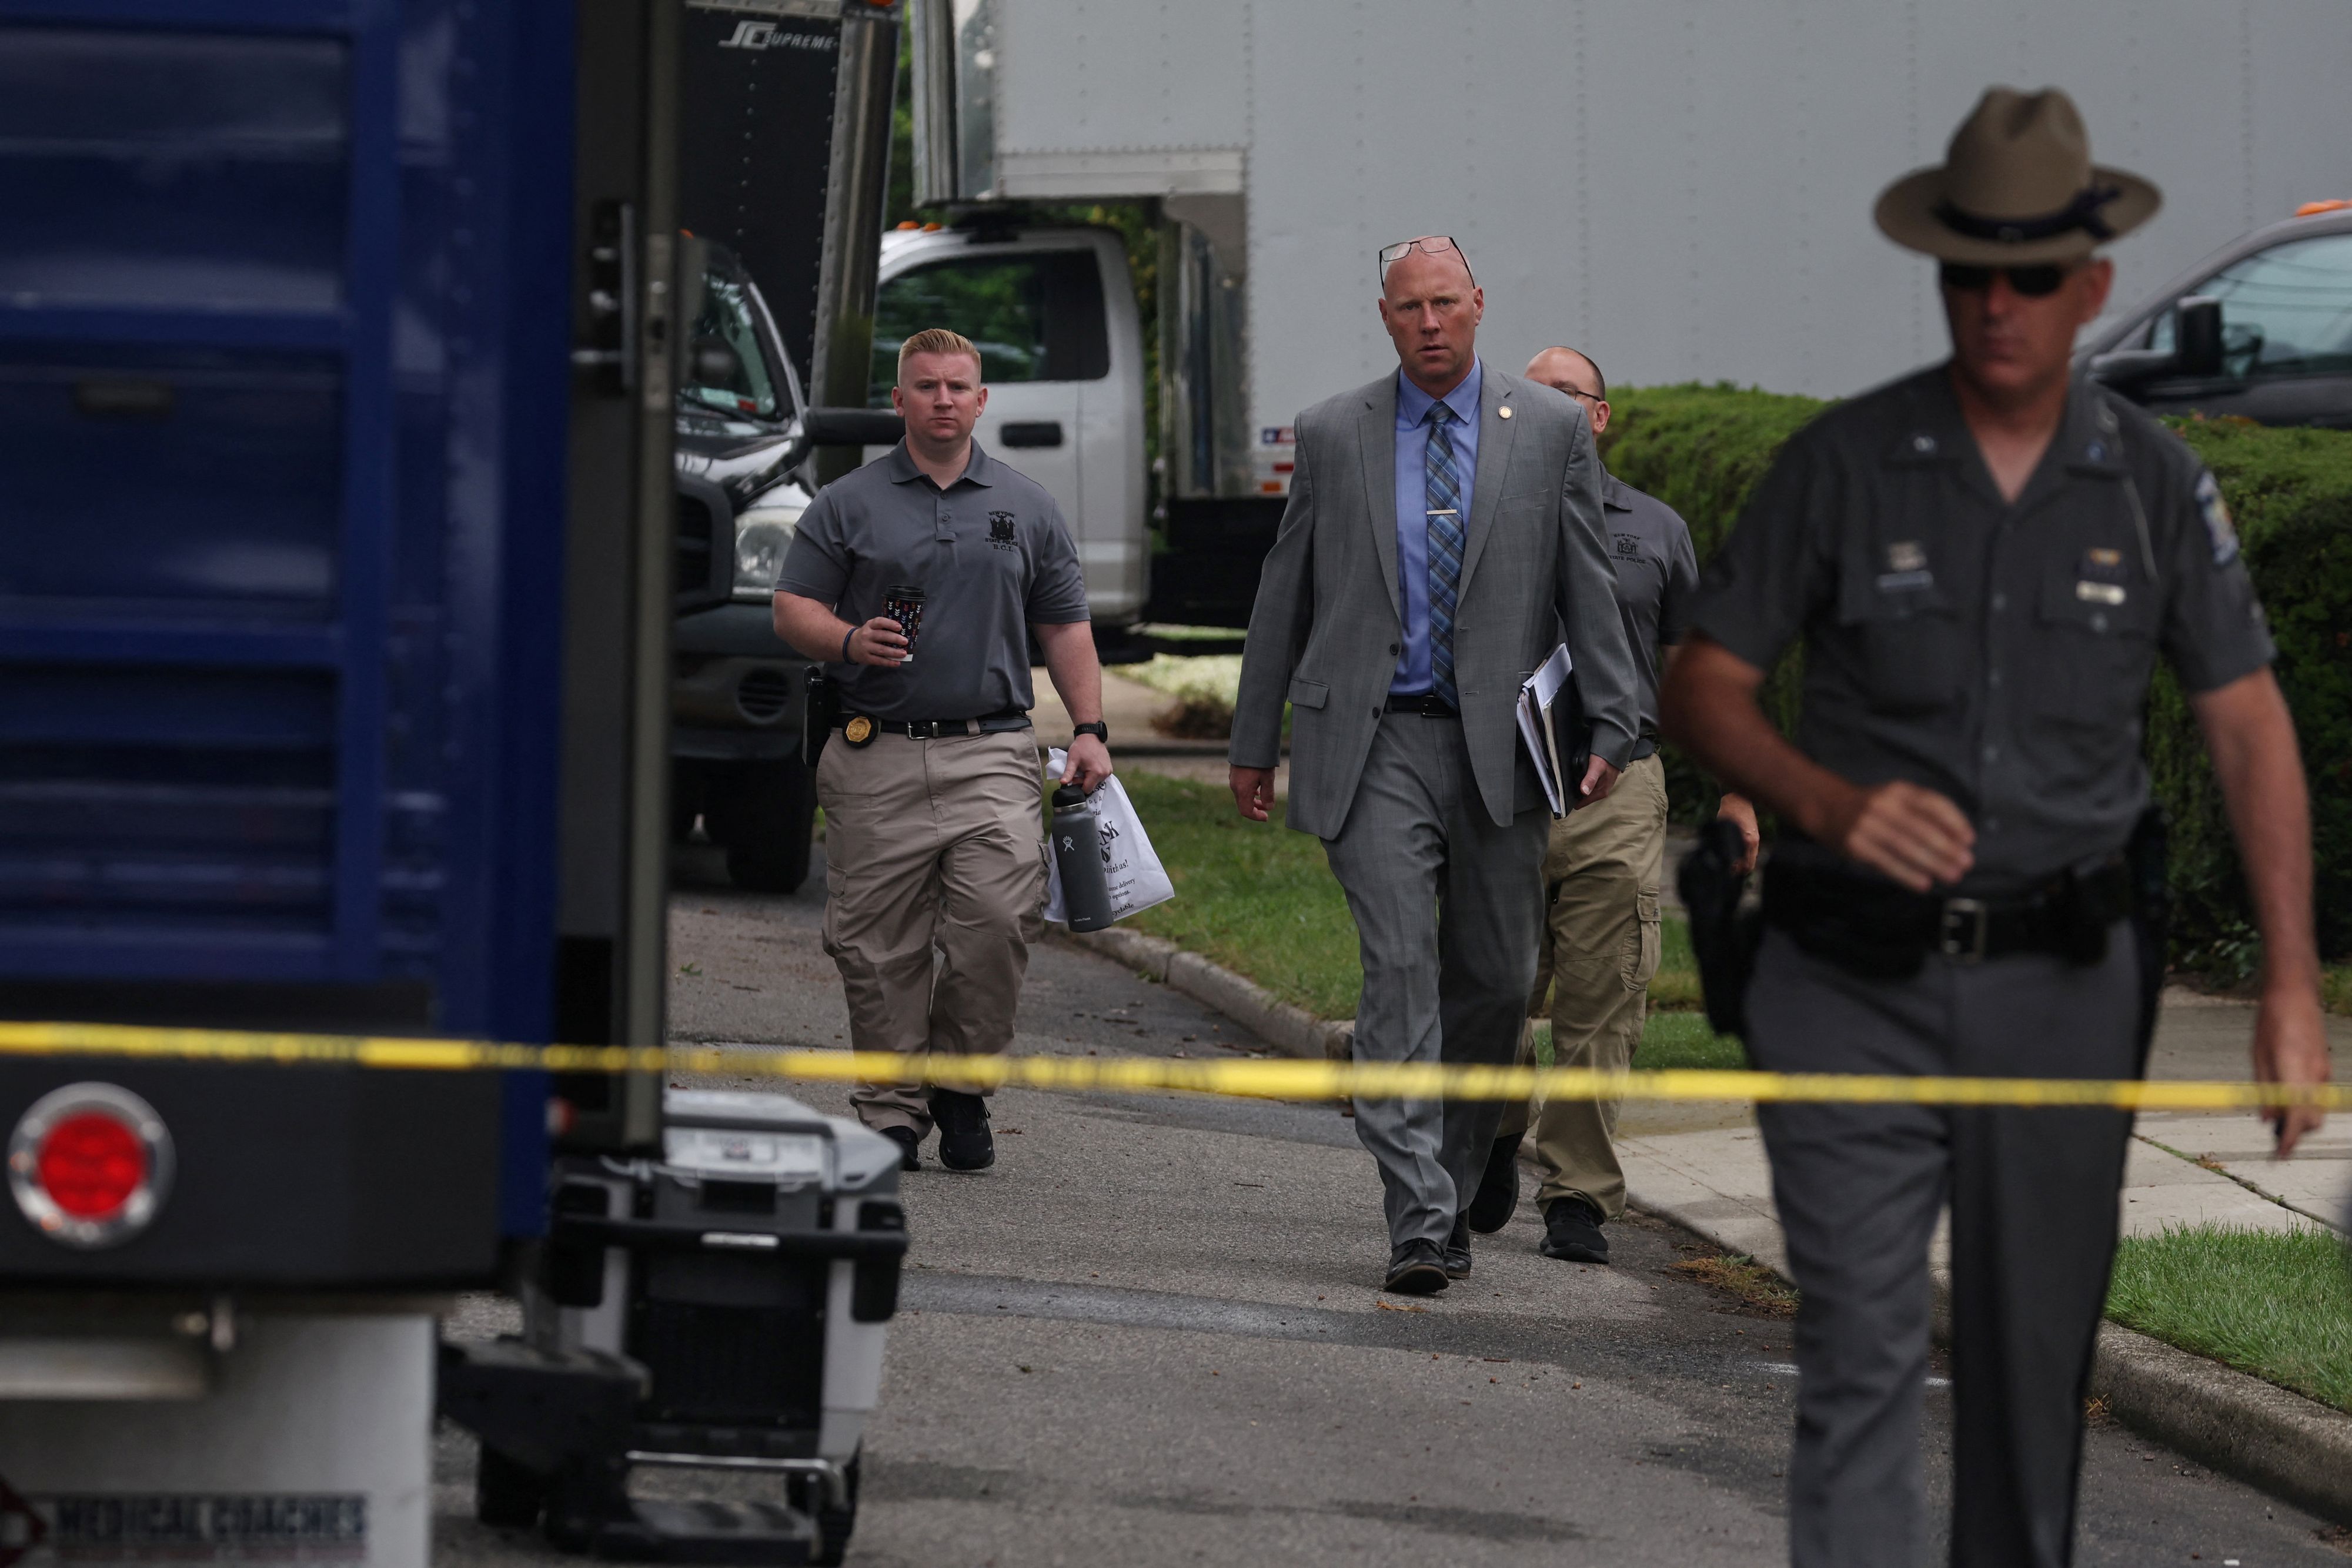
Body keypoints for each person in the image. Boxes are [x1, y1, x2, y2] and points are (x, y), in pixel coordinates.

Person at [1661, 88, 2331, 1567]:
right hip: (1844, 977)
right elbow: (1701, 680)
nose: (1999, 302)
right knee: (1853, 1353)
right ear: (1942, 276)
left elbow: (2245, 719)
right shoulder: (1844, 462)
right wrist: (1825, 799)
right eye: (1972, 270)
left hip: (2060, 986)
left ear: (2091, 284)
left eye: (2032, 272)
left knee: (2033, 1387)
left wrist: (2287, 979)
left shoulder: (2153, 483)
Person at [1228, 237, 1640, 1295]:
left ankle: (1453, 1187)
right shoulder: (1333, 433)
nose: (1429, 323)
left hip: (1502, 745)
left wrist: (1613, 723)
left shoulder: (1548, 431)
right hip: (1375, 738)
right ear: (1384, 316)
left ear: (1479, 306)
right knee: (1399, 967)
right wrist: (1252, 739)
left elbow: (1588, 586)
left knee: (1497, 983)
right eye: (1409, 307)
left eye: (1446, 303)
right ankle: (1416, 1213)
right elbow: (1285, 595)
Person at [772, 326, 1112, 1174]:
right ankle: (892, 1111)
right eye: (925, 386)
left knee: (997, 922)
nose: (943, 399)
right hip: (874, 750)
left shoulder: (1028, 505)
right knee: (876, 943)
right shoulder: (847, 503)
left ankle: (961, 1085)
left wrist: (1090, 727)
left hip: (992, 748)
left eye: (958, 386)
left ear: (982, 398)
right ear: (900, 400)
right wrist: (851, 641)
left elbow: (1065, 625)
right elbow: (790, 609)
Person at [1461, 347, 1757, 1265]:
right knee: (1491, 989)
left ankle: (1578, 1196)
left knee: (1604, 996)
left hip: (1617, 787)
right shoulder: (1473, 515)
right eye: (1528, 397)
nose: (1543, 409)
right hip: (1499, 789)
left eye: (1564, 397)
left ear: (1599, 418)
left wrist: (1740, 791)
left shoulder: (1657, 530)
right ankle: (1499, 1128)